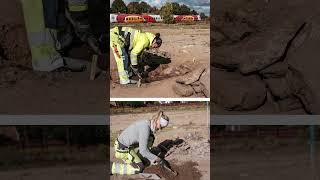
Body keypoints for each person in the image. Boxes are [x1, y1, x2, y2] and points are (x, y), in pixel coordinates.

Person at [111, 111, 169, 175]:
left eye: (162, 128)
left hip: (128, 146)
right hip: (122, 149)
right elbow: (143, 151)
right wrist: (158, 159)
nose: (160, 129)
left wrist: (152, 157)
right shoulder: (145, 128)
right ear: (157, 120)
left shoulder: (148, 123)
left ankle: (140, 157)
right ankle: (112, 168)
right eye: (160, 126)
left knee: (151, 138)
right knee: (139, 167)